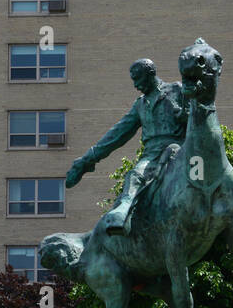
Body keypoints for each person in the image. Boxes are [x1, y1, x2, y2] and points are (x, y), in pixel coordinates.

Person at [64, 57, 187, 235]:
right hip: (152, 154)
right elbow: (117, 134)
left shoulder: (177, 90)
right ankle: (122, 213)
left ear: (151, 74)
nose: (136, 85)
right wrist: (87, 159)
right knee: (135, 175)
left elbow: (200, 116)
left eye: (138, 79)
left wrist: (186, 115)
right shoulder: (140, 105)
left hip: (181, 148)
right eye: (133, 80)